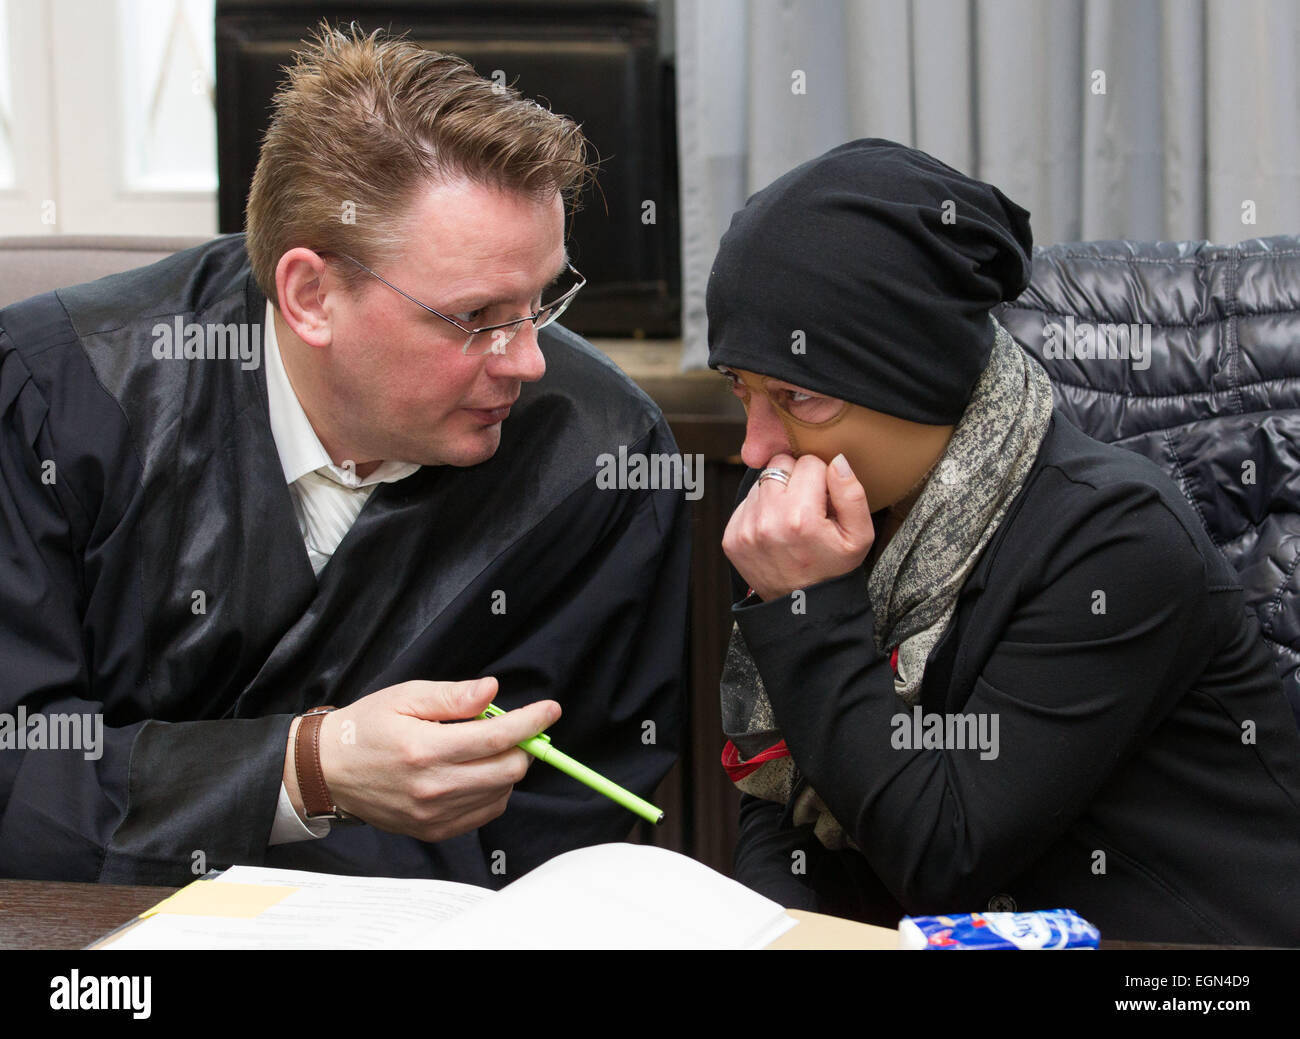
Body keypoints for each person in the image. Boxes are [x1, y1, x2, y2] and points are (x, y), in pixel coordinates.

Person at [0, 25, 688, 887]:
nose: (529, 359)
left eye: (542, 299)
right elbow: (20, 775)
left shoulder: (598, 459)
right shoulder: (58, 402)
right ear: (310, 294)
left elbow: (564, 826)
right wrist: (304, 768)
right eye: (476, 315)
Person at [706, 138, 1300, 943]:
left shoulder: (1116, 539)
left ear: (921, 378)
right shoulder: (835, 500)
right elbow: (788, 795)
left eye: (797, 396)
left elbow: (946, 854)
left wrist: (807, 608)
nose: (754, 447)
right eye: (740, 389)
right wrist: (775, 928)